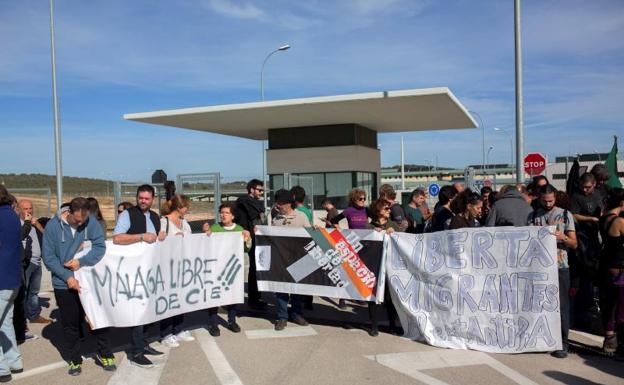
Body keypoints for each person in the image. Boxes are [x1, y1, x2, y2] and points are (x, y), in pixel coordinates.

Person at [42, 197, 116, 375]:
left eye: (84, 220)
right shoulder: (53, 227)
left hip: (90, 281)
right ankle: (74, 359)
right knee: (70, 323)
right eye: (77, 220)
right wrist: (68, 277)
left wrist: (81, 262)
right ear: (69, 213)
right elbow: (49, 257)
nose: (81, 223)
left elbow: (99, 246)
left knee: (98, 318)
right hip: (63, 283)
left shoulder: (90, 221)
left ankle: (105, 353)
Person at [112, 184, 165, 368]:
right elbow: (117, 238)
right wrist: (141, 236)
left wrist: (160, 236)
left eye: (147, 198)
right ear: (137, 198)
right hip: (134, 272)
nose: (143, 201)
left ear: (152, 199)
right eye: (140, 198)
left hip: (151, 271)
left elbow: (155, 239)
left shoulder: (155, 216)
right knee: (138, 311)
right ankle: (136, 351)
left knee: (149, 310)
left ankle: (144, 343)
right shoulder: (127, 214)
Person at [530, 184, 577, 359]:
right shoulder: (533, 215)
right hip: (539, 268)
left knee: (562, 307)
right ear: (539, 198)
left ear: (555, 198)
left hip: (560, 267)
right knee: (541, 304)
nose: (548, 204)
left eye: (551, 201)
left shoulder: (565, 215)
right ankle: (543, 339)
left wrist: (562, 237)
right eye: (545, 201)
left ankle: (563, 343)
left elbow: (574, 243)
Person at [207, 202, 251, 337]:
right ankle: (213, 323)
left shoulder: (239, 229)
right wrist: (206, 235)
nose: (223, 215)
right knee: (214, 296)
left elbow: (246, 249)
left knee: (232, 295)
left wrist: (247, 238)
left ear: (232, 215)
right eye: (221, 212)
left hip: (232, 270)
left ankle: (232, 321)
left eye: (226, 213)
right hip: (216, 269)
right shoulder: (215, 228)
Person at [158, 194, 196, 348]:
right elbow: (159, 242)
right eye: (186, 207)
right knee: (168, 300)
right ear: (180, 207)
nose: (187, 210)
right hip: (167, 267)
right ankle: (166, 333)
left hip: (182, 267)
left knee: (180, 298)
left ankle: (179, 328)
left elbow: (193, 240)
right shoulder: (163, 222)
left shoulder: (184, 223)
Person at [271, 189, 311, 331]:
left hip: (299, 259)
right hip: (281, 260)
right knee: (281, 289)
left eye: (280, 203)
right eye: (277, 203)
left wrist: (316, 229)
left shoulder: (301, 217)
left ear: (288, 204)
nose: (278, 205)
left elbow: (310, 235)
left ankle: (296, 314)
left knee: (297, 289)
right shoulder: (275, 219)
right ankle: (282, 317)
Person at [0, 186, 24, 382]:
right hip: (13, 278)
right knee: (5, 323)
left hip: (1, 279)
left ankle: (2, 368)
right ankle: (14, 361)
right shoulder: (12, 216)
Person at [366, 199, 400, 337]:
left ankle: (392, 324)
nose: (389, 211)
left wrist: (394, 233)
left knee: (390, 297)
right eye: (386, 209)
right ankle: (374, 326)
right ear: (378, 211)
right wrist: (372, 233)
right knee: (372, 296)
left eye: (389, 209)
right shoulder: (367, 227)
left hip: (389, 266)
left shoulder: (393, 225)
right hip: (373, 266)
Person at [598, 188, 624, 356]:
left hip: (607, 266)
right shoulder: (619, 221)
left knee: (611, 305)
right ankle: (620, 343)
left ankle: (609, 339)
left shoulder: (604, 218)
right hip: (619, 268)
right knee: (621, 307)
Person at [17, 199, 51, 326]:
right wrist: (26, 223)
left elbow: (48, 235)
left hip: (37, 261)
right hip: (26, 262)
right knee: (23, 292)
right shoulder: (17, 224)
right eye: (25, 209)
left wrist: (36, 224)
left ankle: (33, 315)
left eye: (30, 208)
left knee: (34, 291)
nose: (29, 211)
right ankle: (20, 320)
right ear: (19, 210)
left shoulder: (34, 223)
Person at [234, 179, 267, 309]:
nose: (261, 192)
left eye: (262, 190)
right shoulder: (243, 202)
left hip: (257, 238)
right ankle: (253, 299)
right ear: (251, 189)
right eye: (259, 190)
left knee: (257, 268)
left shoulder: (256, 204)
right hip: (248, 238)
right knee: (253, 268)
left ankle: (255, 297)